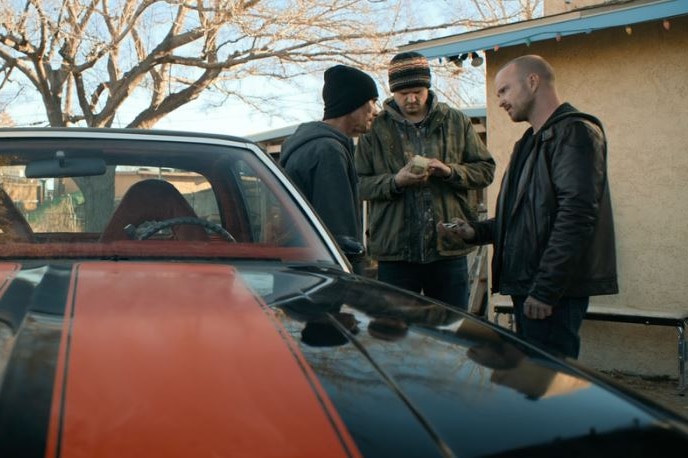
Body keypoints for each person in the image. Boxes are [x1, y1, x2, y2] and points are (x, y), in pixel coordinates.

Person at [439, 54, 618, 358]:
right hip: (531, 289)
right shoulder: (530, 142)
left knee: (549, 390)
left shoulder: (574, 132)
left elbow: (575, 217)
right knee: (533, 384)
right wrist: (474, 231)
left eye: (504, 90)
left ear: (533, 82)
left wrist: (546, 289)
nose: (500, 102)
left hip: (551, 295)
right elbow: (522, 218)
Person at [355, 51, 495, 310]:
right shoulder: (375, 128)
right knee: (395, 334)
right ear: (392, 91)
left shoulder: (456, 121)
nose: (410, 98)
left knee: (451, 331)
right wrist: (396, 181)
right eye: (402, 93)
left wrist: (450, 172)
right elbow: (358, 185)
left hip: (447, 250)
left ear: (428, 87)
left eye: (417, 91)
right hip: (395, 253)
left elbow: (486, 170)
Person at [279, 64, 379, 275]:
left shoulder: (308, 145)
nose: (375, 111)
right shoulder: (328, 151)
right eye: (372, 102)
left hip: (300, 270)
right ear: (352, 104)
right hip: (326, 276)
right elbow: (339, 236)